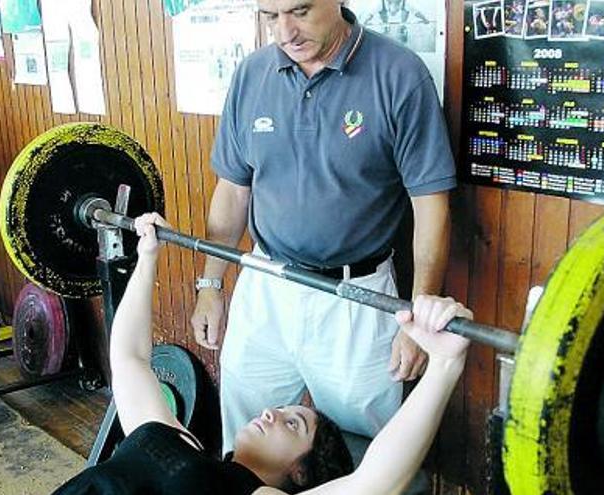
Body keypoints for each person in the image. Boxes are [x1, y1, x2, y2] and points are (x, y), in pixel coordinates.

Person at [190, 0, 456, 454]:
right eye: (270, 17)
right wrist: (210, 285)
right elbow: (232, 192)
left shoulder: (399, 75)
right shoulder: (253, 74)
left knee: (370, 451)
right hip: (265, 289)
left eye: (299, 11)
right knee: (247, 442)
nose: (284, 32)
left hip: (357, 299)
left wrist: (416, 319)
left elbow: (431, 205)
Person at [55, 214, 472, 495]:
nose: (271, 413)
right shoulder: (178, 439)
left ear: (300, 473)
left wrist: (445, 363)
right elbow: (129, 359)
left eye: (293, 423)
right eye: (285, 412)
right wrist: (148, 256)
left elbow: (375, 480)